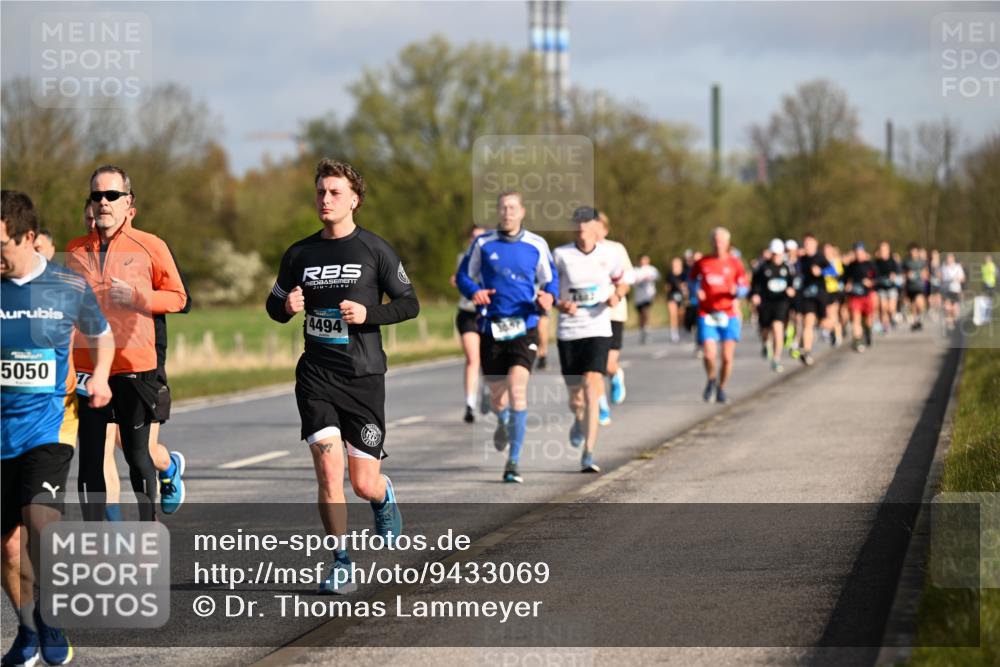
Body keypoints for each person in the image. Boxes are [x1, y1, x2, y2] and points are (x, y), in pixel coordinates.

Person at [267, 159, 418, 593]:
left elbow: (410, 304)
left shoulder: (375, 250)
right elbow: (274, 306)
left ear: (354, 199)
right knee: (328, 472)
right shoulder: (299, 254)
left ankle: (383, 495)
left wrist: (371, 313)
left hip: (363, 376)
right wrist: (286, 308)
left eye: (334, 192)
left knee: (361, 482)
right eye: (320, 192)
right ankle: (341, 560)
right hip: (316, 375)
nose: (325, 199)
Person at [2, 190, 114, 667]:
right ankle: (29, 630)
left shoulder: (67, 287)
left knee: (42, 522)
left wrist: (103, 377)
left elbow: (102, 337)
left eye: (1, 245)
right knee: (8, 549)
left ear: (29, 238)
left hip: (50, 427)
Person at [65, 166, 188, 522]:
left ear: (128, 202)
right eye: (96, 195)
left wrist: (137, 296)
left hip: (135, 367)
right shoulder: (74, 250)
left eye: (111, 195)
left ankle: (147, 528)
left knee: (136, 455)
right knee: (89, 458)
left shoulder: (150, 245)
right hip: (88, 371)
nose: (103, 202)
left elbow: (179, 298)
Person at [457, 190, 558, 484]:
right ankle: (502, 421)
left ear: (522, 211)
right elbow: (465, 275)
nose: (507, 213)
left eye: (512, 208)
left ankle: (513, 461)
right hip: (491, 328)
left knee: (518, 391)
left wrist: (549, 297)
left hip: (524, 327)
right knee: (499, 398)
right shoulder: (483, 243)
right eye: (502, 208)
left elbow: (551, 279)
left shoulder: (536, 244)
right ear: (497, 212)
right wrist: (472, 291)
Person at [553, 207, 627, 473]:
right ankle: (578, 420)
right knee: (576, 399)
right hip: (569, 331)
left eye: (587, 222)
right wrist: (561, 304)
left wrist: (617, 296)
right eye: (578, 222)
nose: (582, 227)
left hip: (598, 328)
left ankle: (588, 452)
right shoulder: (561, 255)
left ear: (597, 227)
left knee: (591, 384)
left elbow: (622, 281)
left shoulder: (610, 254)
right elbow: (548, 290)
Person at [690, 227, 748, 403]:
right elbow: (691, 281)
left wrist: (737, 291)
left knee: (727, 358)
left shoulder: (735, 263)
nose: (718, 244)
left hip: (728, 314)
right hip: (707, 313)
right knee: (708, 355)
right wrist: (696, 291)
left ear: (728, 243)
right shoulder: (702, 262)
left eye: (721, 241)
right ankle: (711, 379)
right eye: (715, 240)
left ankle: (721, 387)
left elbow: (745, 287)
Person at [595, 213, 634, 420]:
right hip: (591, 316)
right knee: (595, 366)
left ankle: (616, 374)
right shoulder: (580, 252)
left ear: (605, 230)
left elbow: (629, 276)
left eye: (598, 227)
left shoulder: (616, 249)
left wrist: (616, 294)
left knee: (608, 364)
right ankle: (602, 406)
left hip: (613, 313)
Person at [452, 225, 487, 423]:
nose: (476, 241)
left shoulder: (493, 257)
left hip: (490, 315)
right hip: (468, 313)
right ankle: (470, 404)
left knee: (489, 360)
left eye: (480, 237)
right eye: (473, 237)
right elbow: (460, 279)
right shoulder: (463, 258)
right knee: (473, 358)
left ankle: (489, 393)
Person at [751, 239, 796, 373]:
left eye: (779, 254)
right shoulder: (763, 268)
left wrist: (791, 290)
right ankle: (765, 343)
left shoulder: (787, 268)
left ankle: (776, 359)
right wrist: (755, 295)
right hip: (766, 302)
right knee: (765, 330)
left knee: (778, 329)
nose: (777, 256)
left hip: (781, 302)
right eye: (774, 254)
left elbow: (793, 283)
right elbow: (755, 285)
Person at [793, 233, 829, 367]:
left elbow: (834, 271)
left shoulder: (820, 257)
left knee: (824, 323)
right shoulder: (801, 259)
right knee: (808, 322)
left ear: (815, 243)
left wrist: (821, 272)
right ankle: (806, 351)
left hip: (821, 295)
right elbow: (795, 271)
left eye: (810, 243)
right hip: (807, 295)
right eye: (805, 243)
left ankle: (830, 331)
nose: (807, 245)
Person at [844, 243, 877, 352]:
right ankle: (858, 341)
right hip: (855, 296)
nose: (858, 255)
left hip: (867, 296)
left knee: (868, 320)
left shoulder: (870, 264)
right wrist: (847, 285)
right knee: (856, 319)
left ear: (864, 253)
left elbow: (876, 278)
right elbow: (845, 279)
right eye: (856, 252)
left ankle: (867, 331)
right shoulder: (851, 266)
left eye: (860, 252)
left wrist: (871, 282)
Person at [632, 255, 660, 344]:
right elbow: (631, 281)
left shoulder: (651, 269)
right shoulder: (636, 270)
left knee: (646, 312)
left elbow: (658, 277)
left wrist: (649, 278)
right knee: (641, 315)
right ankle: (642, 331)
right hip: (639, 297)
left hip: (648, 296)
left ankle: (647, 330)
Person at [821, 243, 845, 347]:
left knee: (832, 313)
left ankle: (837, 334)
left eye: (828, 250)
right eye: (824, 250)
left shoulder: (836, 261)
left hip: (833, 291)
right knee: (826, 314)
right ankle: (832, 331)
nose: (826, 252)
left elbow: (838, 275)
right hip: (822, 291)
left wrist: (826, 272)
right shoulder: (820, 261)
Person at [873, 241, 899, 334]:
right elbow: (873, 274)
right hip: (881, 288)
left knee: (891, 308)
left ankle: (892, 317)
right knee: (883, 308)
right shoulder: (876, 262)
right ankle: (885, 325)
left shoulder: (893, 261)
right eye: (881, 250)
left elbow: (898, 272)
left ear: (888, 250)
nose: (883, 252)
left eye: (885, 250)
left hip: (891, 287)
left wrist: (894, 275)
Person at [902, 243, 928, 331]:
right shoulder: (906, 262)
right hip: (910, 287)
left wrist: (922, 275)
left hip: (919, 287)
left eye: (915, 252)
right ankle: (915, 322)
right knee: (912, 306)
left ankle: (919, 319)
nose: (913, 254)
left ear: (918, 252)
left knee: (920, 304)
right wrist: (907, 276)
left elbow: (926, 274)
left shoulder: (922, 262)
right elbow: (903, 275)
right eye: (912, 252)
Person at [940, 252, 965, 331]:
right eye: (948, 258)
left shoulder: (958, 267)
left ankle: (953, 321)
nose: (949, 259)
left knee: (955, 309)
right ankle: (949, 322)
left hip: (955, 290)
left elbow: (963, 278)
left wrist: (957, 279)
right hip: (946, 290)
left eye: (950, 258)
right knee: (947, 307)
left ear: (953, 259)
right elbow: (940, 278)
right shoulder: (943, 267)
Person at [664, 257, 686, 343]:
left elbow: (686, 285)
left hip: (681, 296)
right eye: (674, 264)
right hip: (671, 296)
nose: (675, 265)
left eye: (677, 263)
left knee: (680, 315)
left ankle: (680, 329)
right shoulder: (670, 274)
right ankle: (673, 333)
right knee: (673, 314)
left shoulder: (684, 274)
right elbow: (667, 286)